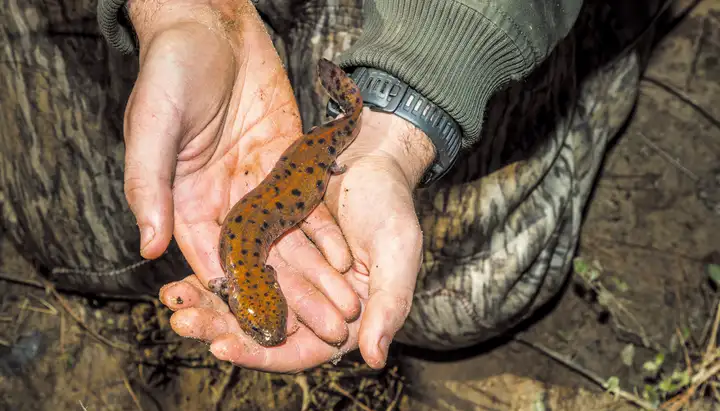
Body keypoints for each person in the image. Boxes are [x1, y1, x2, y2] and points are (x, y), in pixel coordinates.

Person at [0, 0, 662, 372]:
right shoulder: (240, 263)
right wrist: (188, 13)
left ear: (244, 286)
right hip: (291, 157)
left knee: (469, 290)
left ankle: (594, 51)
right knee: (77, 247)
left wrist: (398, 122)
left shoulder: (244, 259)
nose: (266, 327)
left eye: (261, 322)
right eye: (265, 323)